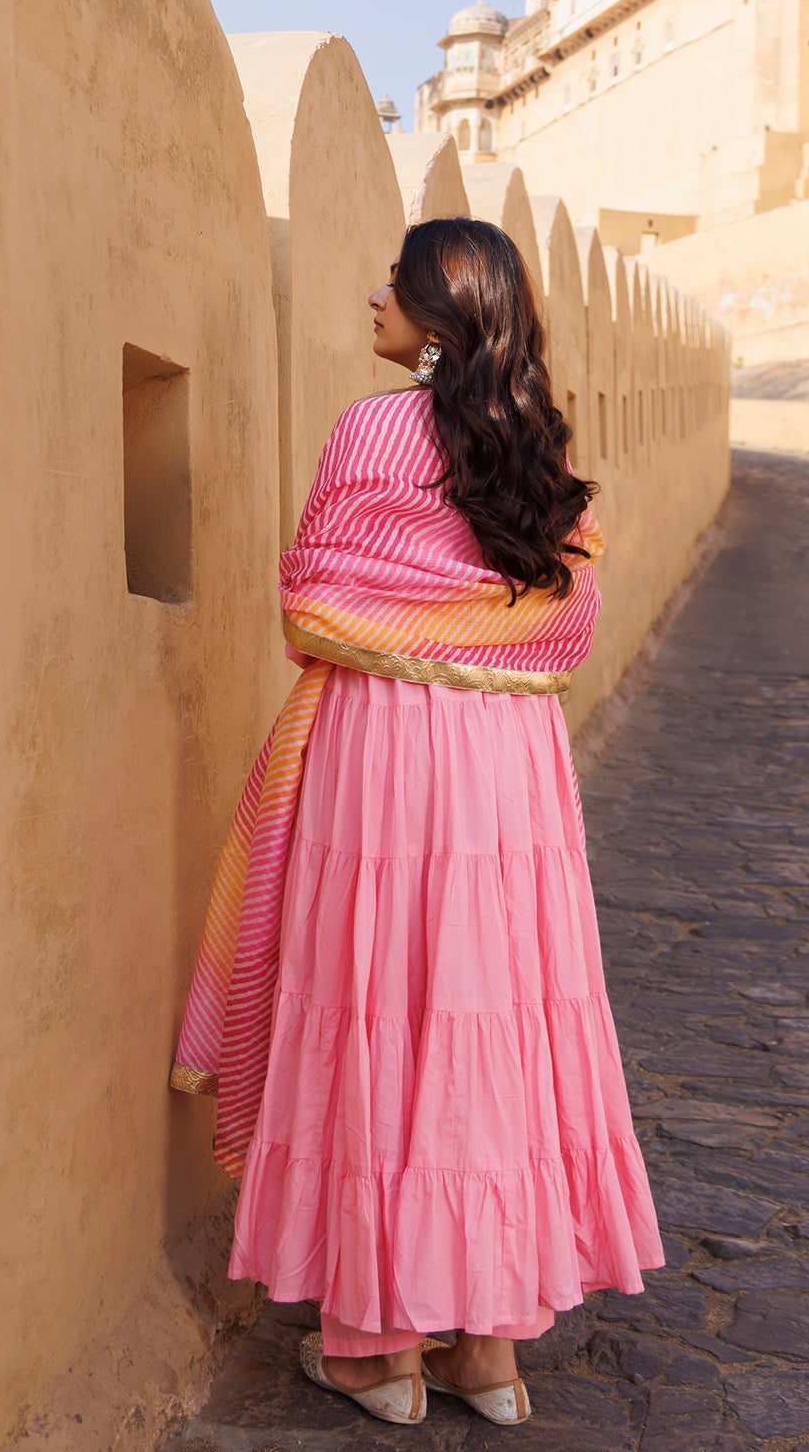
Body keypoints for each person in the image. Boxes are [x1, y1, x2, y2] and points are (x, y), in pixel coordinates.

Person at [170, 217, 663, 1427]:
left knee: (377, 1000)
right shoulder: (537, 444)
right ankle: (487, 1353)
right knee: (493, 1013)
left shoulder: (369, 428)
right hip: (507, 760)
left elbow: (318, 603)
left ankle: (373, 1352)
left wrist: (390, 629)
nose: (371, 296)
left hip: (383, 746)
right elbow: (563, 614)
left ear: (439, 312)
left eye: (393, 281)